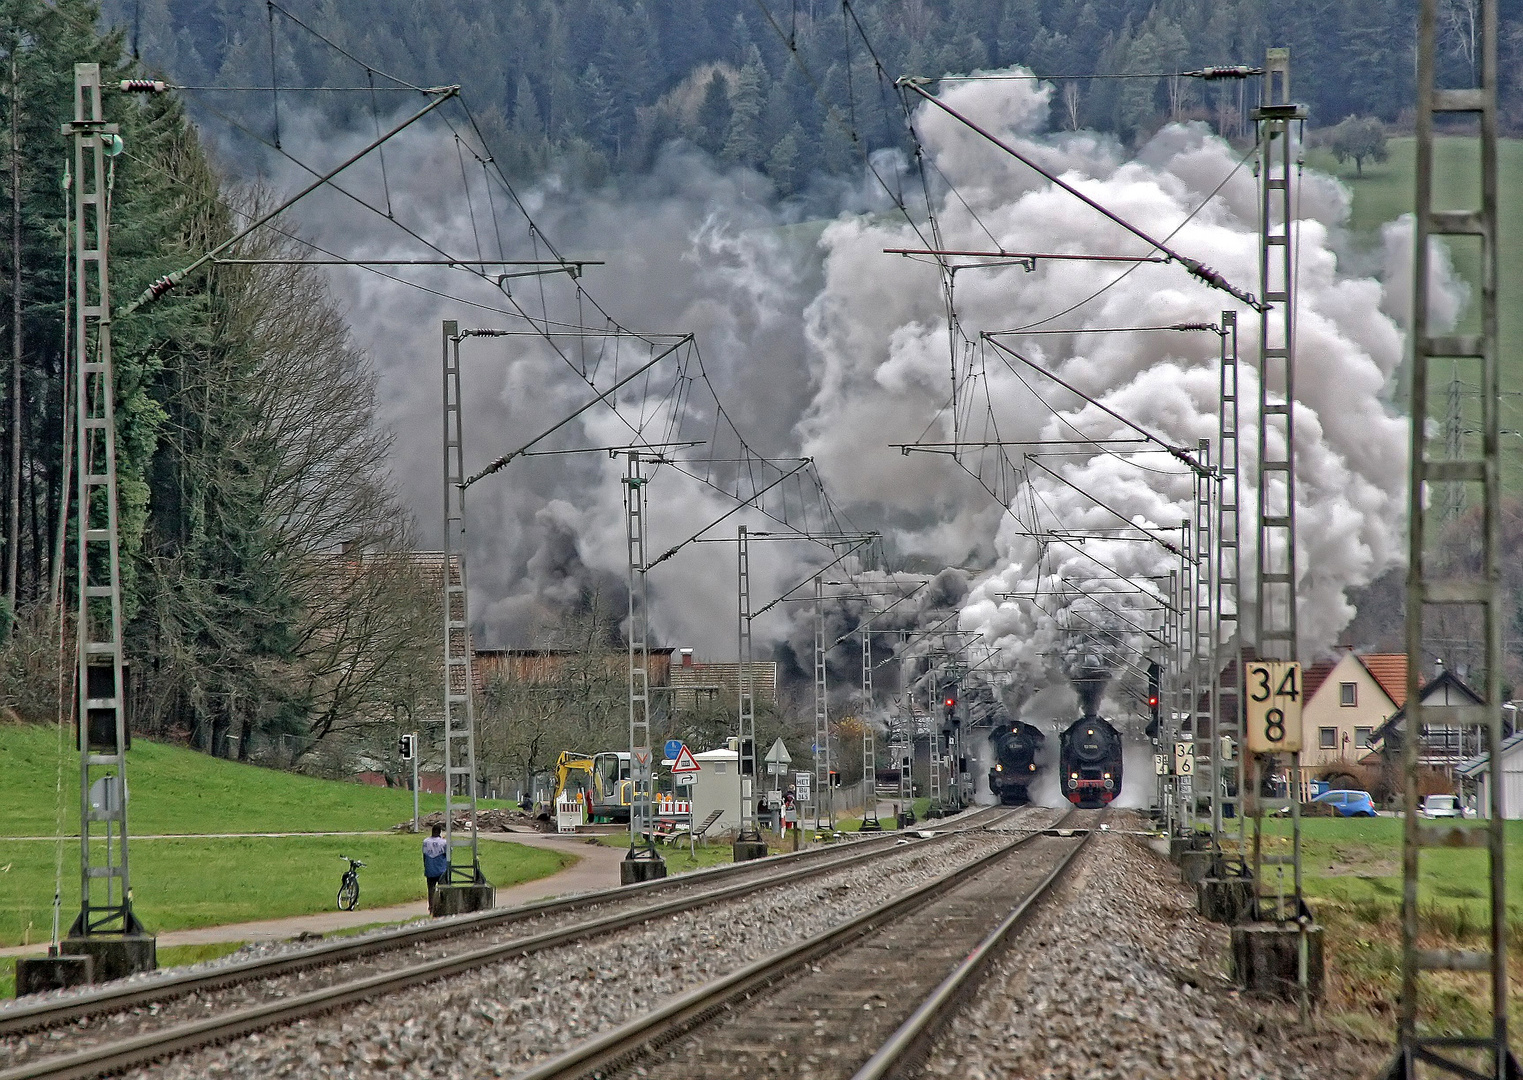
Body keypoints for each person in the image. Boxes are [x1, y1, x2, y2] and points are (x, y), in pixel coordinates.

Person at [422, 823, 449, 909]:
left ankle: (431, 907)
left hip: (430, 870)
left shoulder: (425, 842)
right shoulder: (444, 842)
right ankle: (443, 906)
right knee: (444, 889)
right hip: (441, 870)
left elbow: (424, 856)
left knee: (431, 890)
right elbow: (448, 855)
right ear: (440, 832)